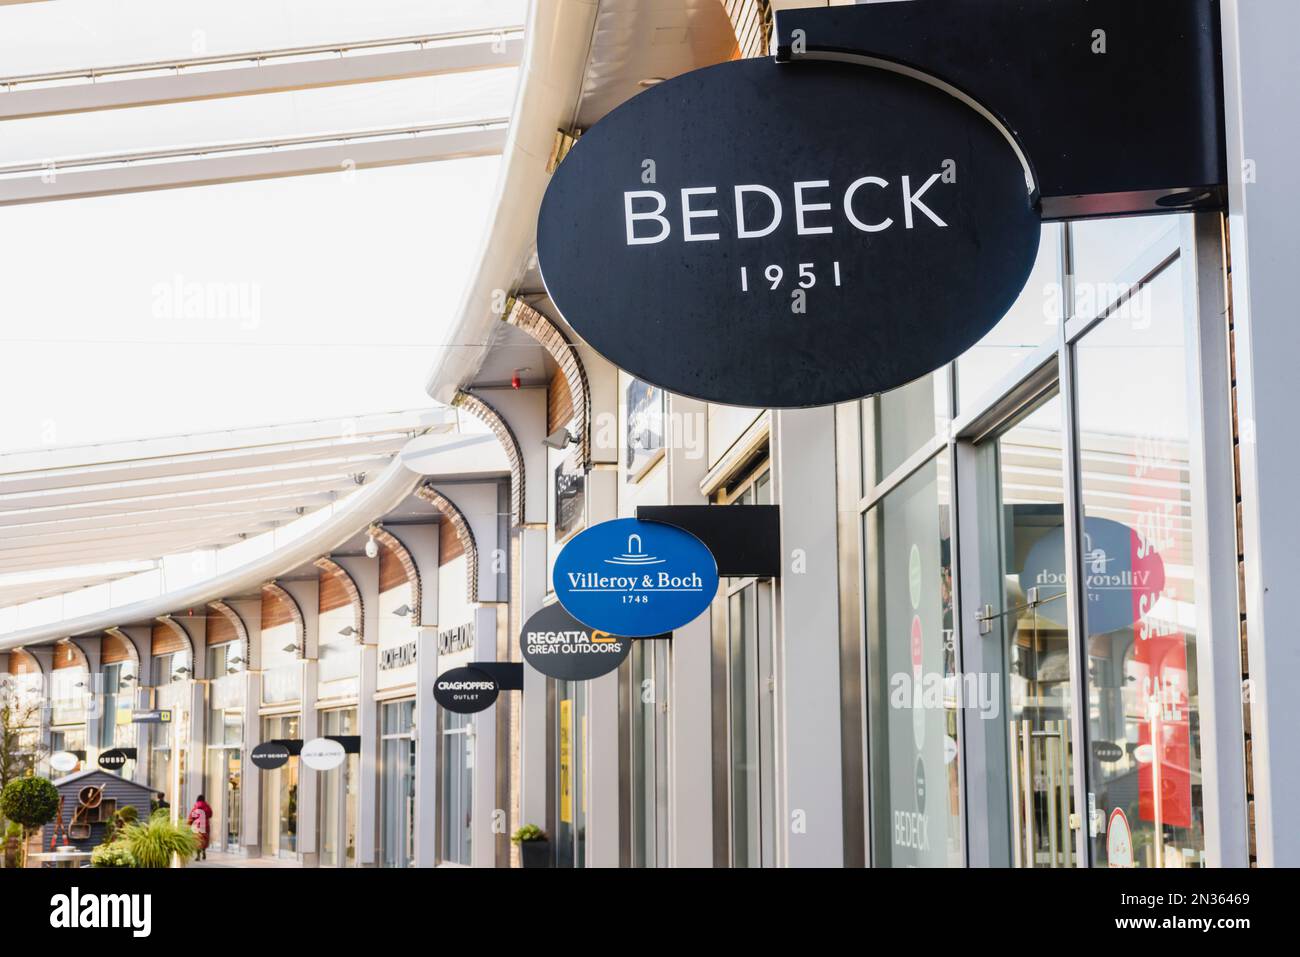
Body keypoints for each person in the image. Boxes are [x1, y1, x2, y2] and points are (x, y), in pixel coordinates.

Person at [187, 794, 213, 861]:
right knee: (205, 839)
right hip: (205, 825)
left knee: (198, 840)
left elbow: (192, 816)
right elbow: (210, 814)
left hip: (197, 825)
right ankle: (204, 851)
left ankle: (198, 855)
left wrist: (189, 823)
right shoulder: (207, 806)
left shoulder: (196, 806)